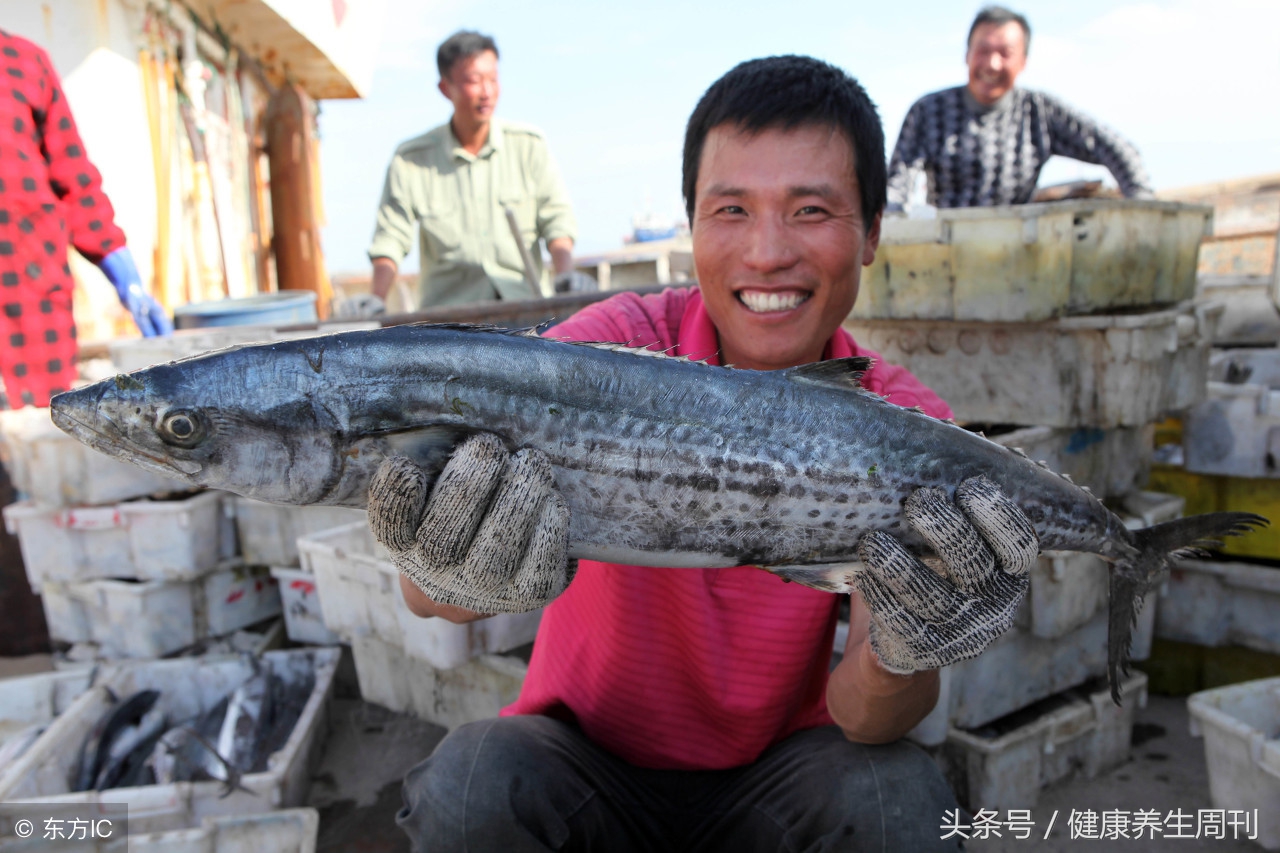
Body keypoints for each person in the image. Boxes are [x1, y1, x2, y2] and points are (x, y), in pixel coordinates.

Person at [369, 56, 1038, 851]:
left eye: (812, 210)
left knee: (901, 798)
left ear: (872, 234)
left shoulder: (900, 420)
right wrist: (448, 569)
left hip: (775, 780)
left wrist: (903, 650)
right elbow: (425, 596)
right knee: (471, 781)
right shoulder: (613, 349)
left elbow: (867, 716)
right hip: (582, 767)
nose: (766, 253)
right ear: (691, 226)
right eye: (731, 209)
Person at [0, 29, 170, 411]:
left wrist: (123, 272)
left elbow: (73, 176)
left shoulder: (24, 60)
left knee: (40, 439)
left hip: (31, 307)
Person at [365, 30, 589, 312]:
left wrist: (566, 274)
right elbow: (391, 237)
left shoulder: (528, 145)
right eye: (474, 80)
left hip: (525, 311)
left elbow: (557, 218)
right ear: (445, 88)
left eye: (493, 79)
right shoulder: (412, 159)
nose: (487, 92)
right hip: (450, 323)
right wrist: (375, 299)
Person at [885, 5, 1154, 212]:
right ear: (967, 54)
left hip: (1019, 256)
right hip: (947, 257)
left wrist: (1142, 210)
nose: (992, 64)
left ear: (1023, 61)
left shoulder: (1039, 112)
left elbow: (1119, 150)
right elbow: (896, 187)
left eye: (1005, 53)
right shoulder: (929, 112)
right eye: (983, 50)